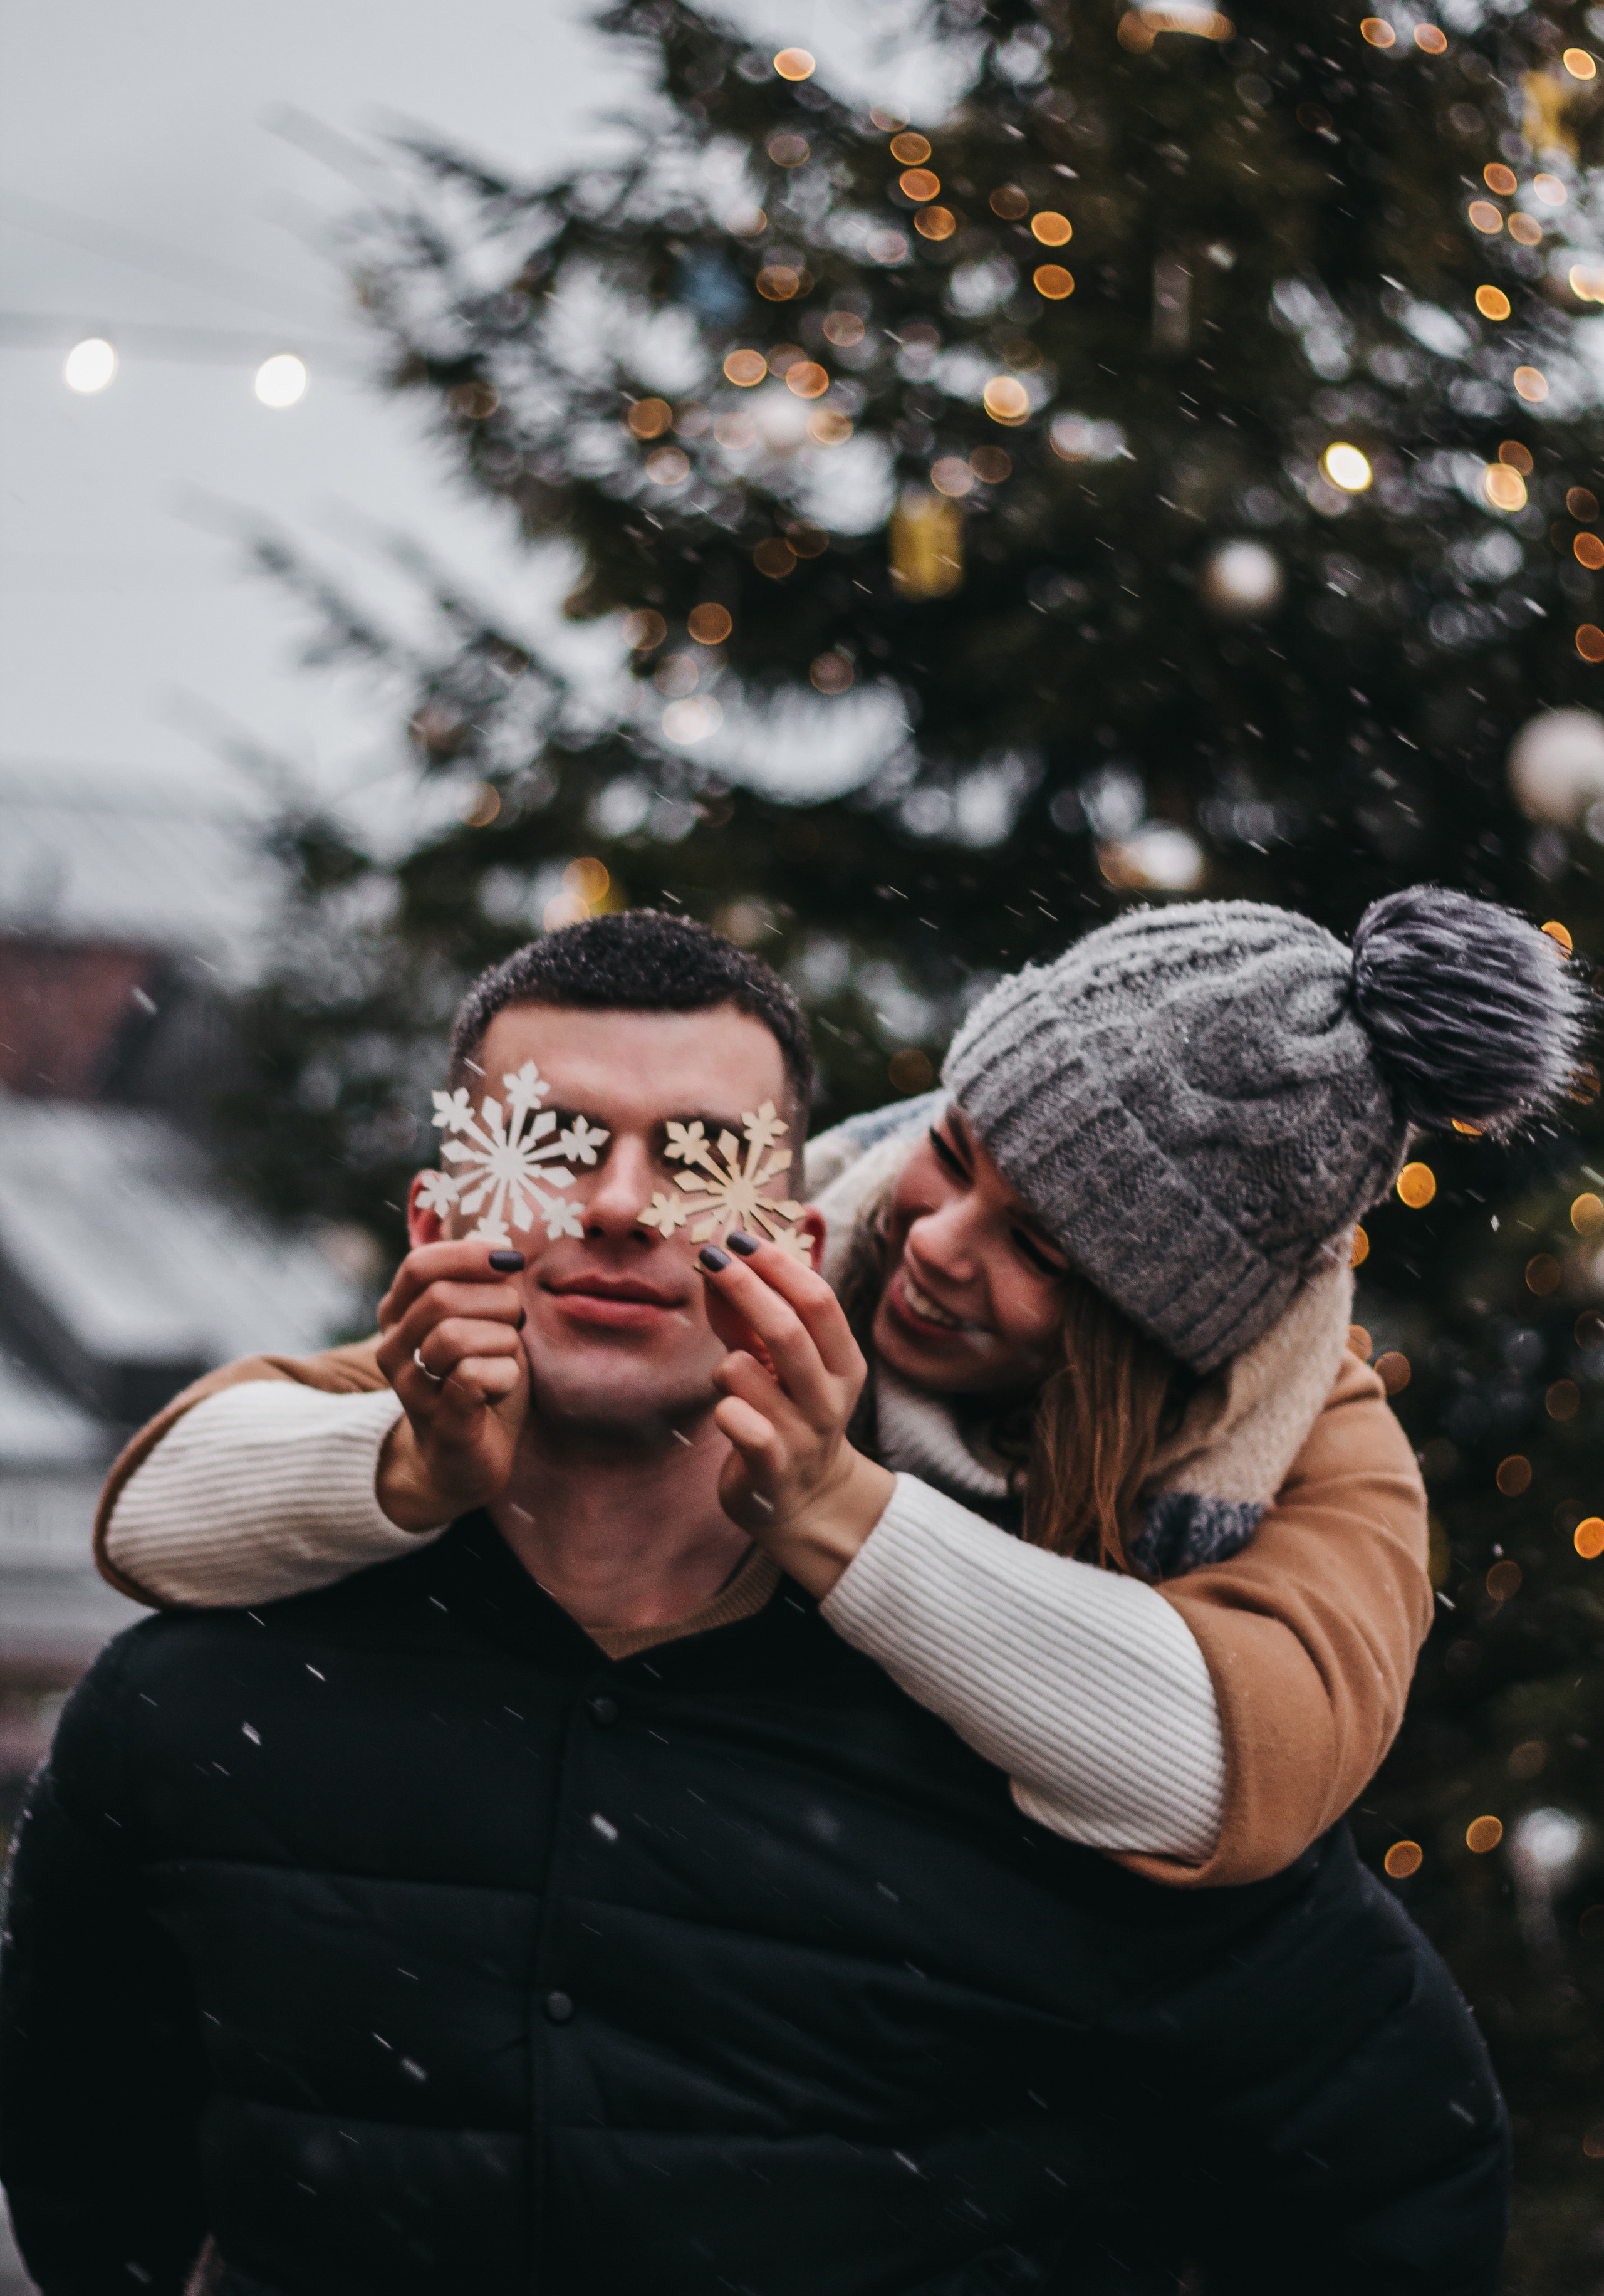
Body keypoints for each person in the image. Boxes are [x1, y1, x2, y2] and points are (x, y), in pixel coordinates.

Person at [0, 903, 1531, 2293]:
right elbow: (171, 1506)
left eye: (1043, 1250)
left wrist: (837, 1520)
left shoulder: (1233, 1517)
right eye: (957, 1154)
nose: (934, 1246)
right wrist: (409, 1466)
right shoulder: (231, 1684)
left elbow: (1245, 1828)